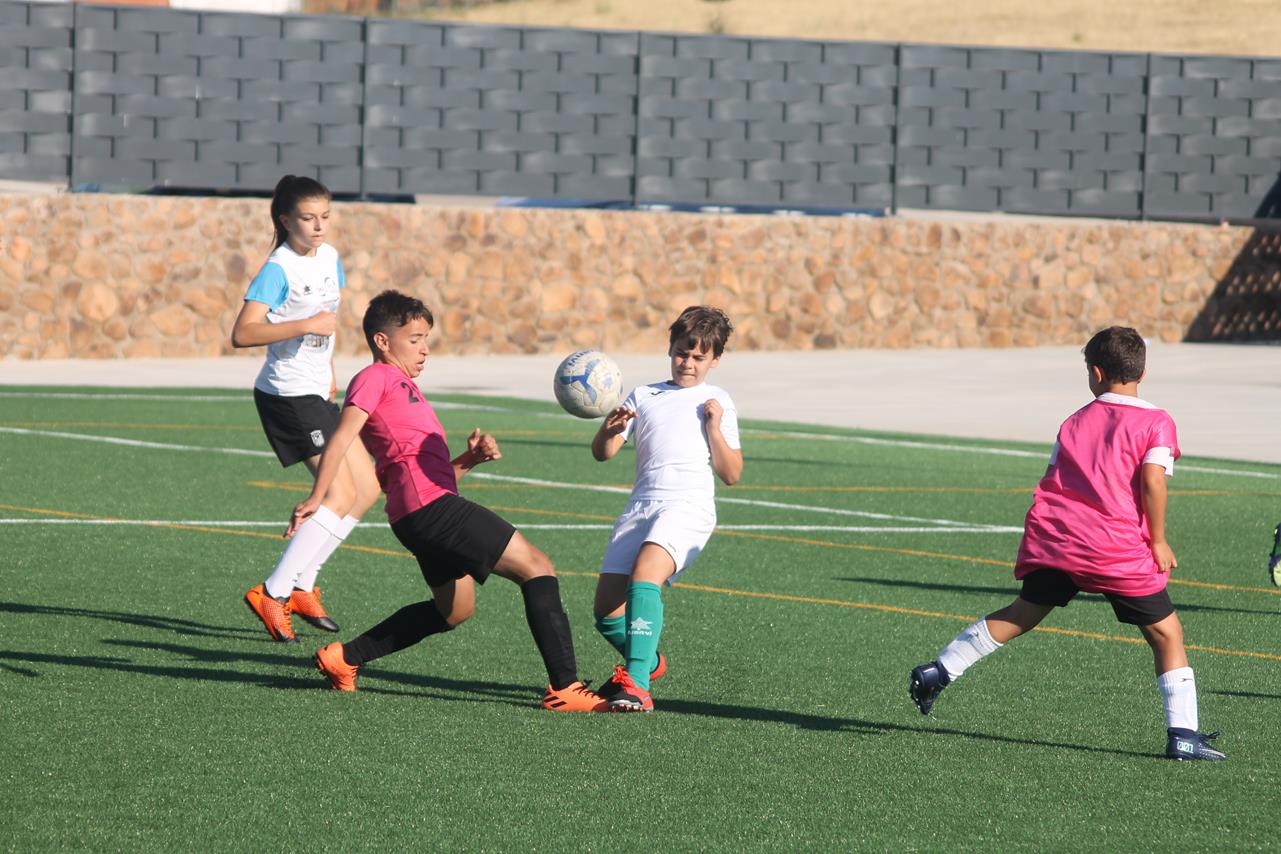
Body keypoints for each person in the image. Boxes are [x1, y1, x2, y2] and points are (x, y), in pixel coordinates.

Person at [908, 326, 1226, 761]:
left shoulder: (1074, 420)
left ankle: (938, 670)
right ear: (1143, 371)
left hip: (1057, 540)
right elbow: (1152, 480)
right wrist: (1159, 540)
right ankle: (1184, 735)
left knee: (1021, 614)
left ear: (1095, 373)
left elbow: (1056, 476)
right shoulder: (1157, 421)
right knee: (1166, 633)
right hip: (1113, 548)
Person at [291, 290, 607, 712]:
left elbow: (423, 477)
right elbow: (343, 435)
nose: (424, 349)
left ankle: (344, 658)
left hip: (418, 511)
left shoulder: (405, 387)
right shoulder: (375, 378)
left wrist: (470, 459)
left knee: (454, 610)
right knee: (537, 567)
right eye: (415, 338)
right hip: (431, 510)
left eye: (426, 339)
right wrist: (318, 494)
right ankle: (565, 687)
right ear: (383, 342)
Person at [231, 174, 380, 643]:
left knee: (367, 489)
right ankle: (272, 592)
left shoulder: (331, 258)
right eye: (308, 218)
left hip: (317, 389)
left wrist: (331, 367)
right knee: (336, 495)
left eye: (325, 217)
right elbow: (243, 333)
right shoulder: (279, 268)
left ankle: (302, 585)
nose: (318, 227)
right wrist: (302, 325)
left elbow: (327, 324)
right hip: (286, 395)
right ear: (285, 220)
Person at [589, 306, 743, 712]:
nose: (687, 364)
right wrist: (607, 428)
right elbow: (603, 454)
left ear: (715, 360)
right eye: (680, 353)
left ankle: (637, 685)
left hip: (687, 506)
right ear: (670, 348)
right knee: (606, 612)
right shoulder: (643, 394)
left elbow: (731, 474)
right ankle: (649, 661)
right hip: (641, 505)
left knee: (646, 575)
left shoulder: (717, 400)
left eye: (698, 358)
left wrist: (714, 428)